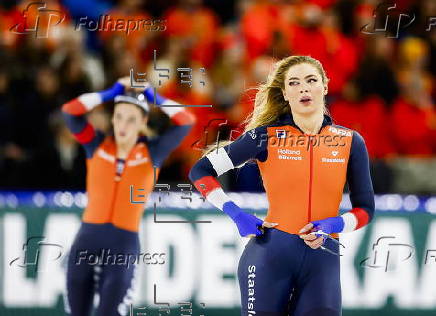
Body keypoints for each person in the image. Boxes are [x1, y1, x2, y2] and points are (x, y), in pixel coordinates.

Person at [189, 55, 375, 316]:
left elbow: (366, 209)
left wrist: (335, 225)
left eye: (311, 80)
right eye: (294, 83)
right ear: (285, 93)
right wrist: (236, 213)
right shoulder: (264, 137)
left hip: (323, 261)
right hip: (270, 257)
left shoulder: (351, 142)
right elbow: (200, 171)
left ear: (325, 86)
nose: (304, 88)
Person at [61, 77, 195, 316]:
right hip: (86, 241)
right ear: (112, 118)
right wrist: (109, 93)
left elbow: (186, 120)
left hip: (122, 246)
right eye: (119, 117)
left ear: (143, 121)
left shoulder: (153, 151)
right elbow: (70, 112)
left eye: (131, 119)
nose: (123, 125)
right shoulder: (97, 144)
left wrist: (155, 97)